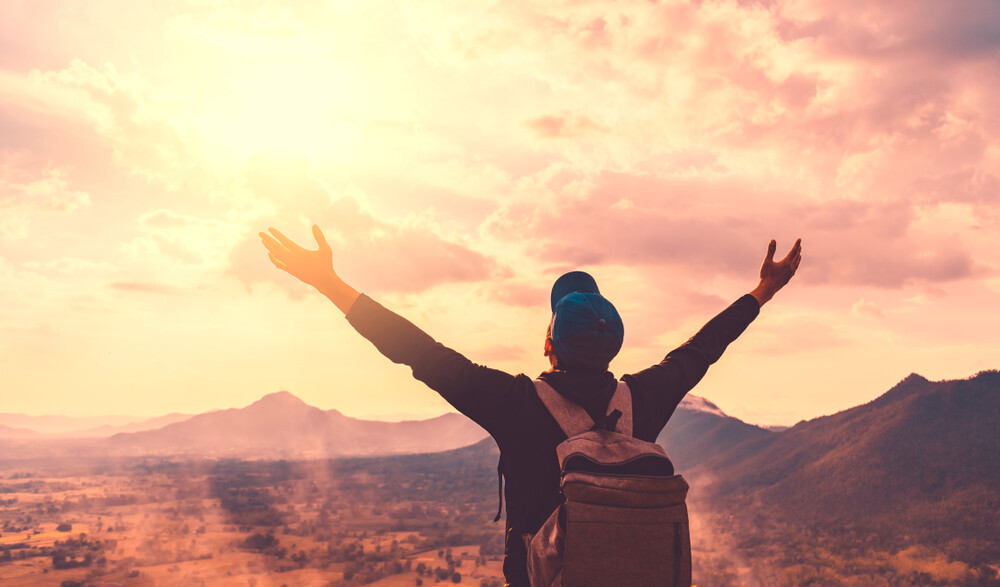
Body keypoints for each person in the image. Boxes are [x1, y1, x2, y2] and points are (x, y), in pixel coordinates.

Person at [259, 225, 802, 586]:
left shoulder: (515, 403)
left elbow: (417, 351)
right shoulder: (644, 399)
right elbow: (703, 348)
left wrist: (330, 282)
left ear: (550, 343)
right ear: (614, 344)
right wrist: (762, 292)